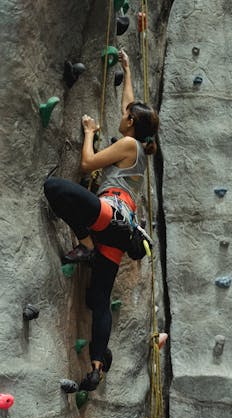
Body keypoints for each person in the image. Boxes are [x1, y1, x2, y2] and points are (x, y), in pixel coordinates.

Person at [44, 50, 160, 391]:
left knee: (55, 188)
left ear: (130, 125)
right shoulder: (136, 145)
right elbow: (132, 105)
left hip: (111, 213)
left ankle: (86, 244)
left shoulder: (127, 143)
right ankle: (96, 367)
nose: (123, 115)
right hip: (120, 230)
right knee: (98, 301)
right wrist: (127, 67)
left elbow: (87, 164)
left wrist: (90, 131)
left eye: (126, 115)